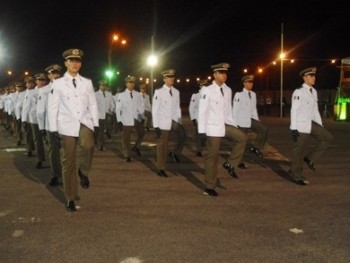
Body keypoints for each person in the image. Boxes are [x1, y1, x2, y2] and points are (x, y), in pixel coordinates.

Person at [48, 48, 99, 212]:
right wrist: (53, 129)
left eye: (78, 61)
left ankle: (83, 171)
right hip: (66, 124)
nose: (75, 63)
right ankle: (70, 197)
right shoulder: (58, 84)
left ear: (80, 64)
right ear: (66, 63)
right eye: (72, 60)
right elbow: (52, 107)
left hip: (84, 121)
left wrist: (95, 124)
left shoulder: (87, 82)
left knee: (88, 145)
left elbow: (92, 104)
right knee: (68, 161)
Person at [198, 63, 247, 196]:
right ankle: (209, 186)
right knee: (212, 158)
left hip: (225, 124)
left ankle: (230, 164)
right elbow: (202, 111)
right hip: (212, 127)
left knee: (242, 137)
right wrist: (201, 131)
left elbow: (228, 110)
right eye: (221, 72)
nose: (224, 75)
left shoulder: (228, 90)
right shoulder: (207, 90)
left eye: (225, 73)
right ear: (214, 75)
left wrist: (233, 125)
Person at [289, 67, 333, 185]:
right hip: (301, 125)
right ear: (305, 78)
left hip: (311, 123)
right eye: (311, 76)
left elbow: (315, 111)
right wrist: (293, 128)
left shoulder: (313, 91)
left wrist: (320, 125)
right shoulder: (299, 91)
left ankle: (310, 158)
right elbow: (294, 110)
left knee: (327, 137)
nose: (314, 78)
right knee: (298, 151)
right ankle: (296, 175)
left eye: (314, 75)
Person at [152, 69, 186, 178]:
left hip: (173, 121)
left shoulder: (176, 92)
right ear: (164, 79)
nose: (172, 79)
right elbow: (155, 110)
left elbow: (177, 108)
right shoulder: (159, 91)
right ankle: (160, 168)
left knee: (183, 135)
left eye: (173, 77)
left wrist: (179, 121)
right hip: (162, 123)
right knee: (162, 145)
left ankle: (175, 152)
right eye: (169, 77)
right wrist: (156, 126)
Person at [232, 74, 268, 163]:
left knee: (263, 130)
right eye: (249, 82)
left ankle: (256, 148)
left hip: (251, 119)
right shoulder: (239, 94)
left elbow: (254, 108)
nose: (251, 84)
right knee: (241, 142)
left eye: (252, 82)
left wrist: (257, 120)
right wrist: (234, 123)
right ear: (244, 83)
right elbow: (235, 109)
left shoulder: (253, 94)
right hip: (241, 121)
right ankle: (238, 161)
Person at [37, 64, 62, 186]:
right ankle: (55, 175)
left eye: (57, 73)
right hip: (51, 125)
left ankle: (65, 174)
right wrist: (41, 127)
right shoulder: (44, 90)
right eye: (53, 73)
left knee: (67, 152)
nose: (56, 75)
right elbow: (41, 110)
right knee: (54, 151)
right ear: (49, 76)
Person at [115, 76, 145, 161]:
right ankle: (127, 154)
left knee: (142, 133)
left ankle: (136, 146)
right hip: (126, 119)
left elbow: (140, 106)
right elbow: (118, 109)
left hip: (136, 118)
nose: (131, 84)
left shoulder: (138, 94)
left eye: (132, 83)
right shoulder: (122, 95)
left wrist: (142, 117)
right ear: (126, 84)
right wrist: (119, 120)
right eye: (129, 83)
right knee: (126, 138)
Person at [189, 79, 208, 157]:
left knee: (207, 136)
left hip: (208, 119)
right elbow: (191, 107)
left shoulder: (209, 95)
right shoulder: (196, 95)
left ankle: (206, 148)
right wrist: (193, 118)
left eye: (206, 85)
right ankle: (199, 150)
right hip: (199, 119)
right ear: (200, 86)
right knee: (199, 136)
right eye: (203, 85)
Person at [95, 80, 114, 151]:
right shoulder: (95, 94)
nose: (103, 87)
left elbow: (112, 103)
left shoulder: (109, 94)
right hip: (99, 115)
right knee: (100, 130)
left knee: (105, 129)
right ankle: (101, 144)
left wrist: (111, 110)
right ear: (99, 86)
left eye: (105, 85)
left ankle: (99, 142)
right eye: (102, 85)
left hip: (107, 114)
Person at [21, 76, 36, 157]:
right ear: (26, 84)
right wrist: (23, 118)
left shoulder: (37, 91)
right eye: (28, 83)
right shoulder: (23, 94)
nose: (30, 84)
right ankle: (30, 149)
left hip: (34, 118)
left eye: (31, 83)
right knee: (28, 134)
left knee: (36, 136)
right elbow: (22, 106)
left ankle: (37, 150)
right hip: (26, 117)